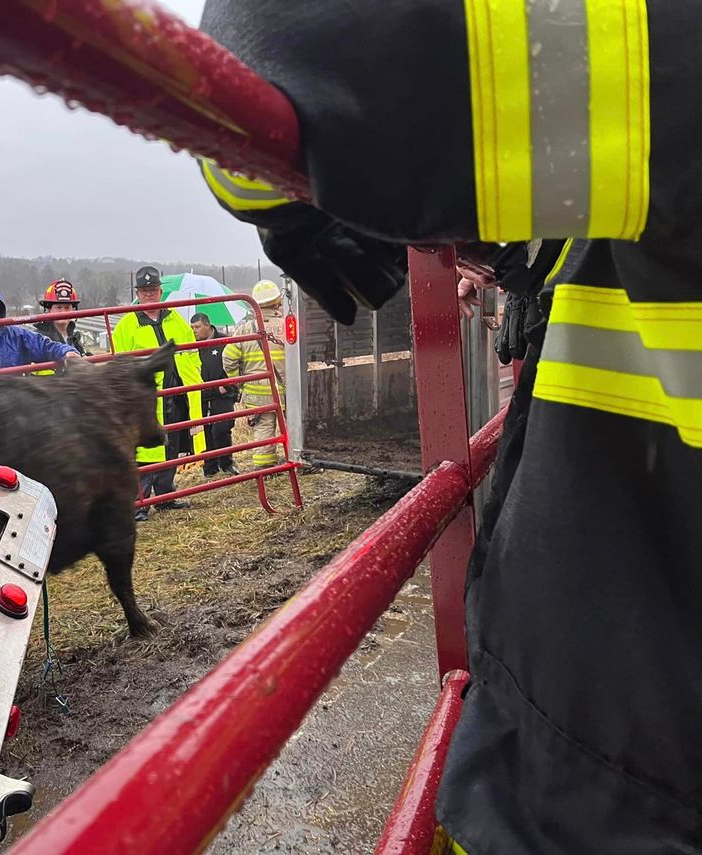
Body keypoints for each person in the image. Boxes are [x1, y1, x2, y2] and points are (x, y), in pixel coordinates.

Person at [198, 2, 702, 852]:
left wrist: (271, 181)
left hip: (609, 794)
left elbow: (286, 46)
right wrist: (496, 253)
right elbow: (617, 245)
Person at [112, 265, 205, 522]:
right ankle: (140, 503)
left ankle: (165, 496)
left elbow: (192, 351)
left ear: (160, 291)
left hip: (178, 392)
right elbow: (120, 365)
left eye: (153, 290)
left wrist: (192, 376)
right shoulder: (126, 325)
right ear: (137, 294)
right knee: (145, 449)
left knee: (172, 445)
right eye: (144, 291)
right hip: (147, 399)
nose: (149, 295)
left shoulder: (175, 318)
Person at [222, 280, 286, 470]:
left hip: (256, 393)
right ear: (277, 302)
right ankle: (297, 462)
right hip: (286, 392)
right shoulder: (287, 326)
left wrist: (238, 380)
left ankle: (265, 469)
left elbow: (228, 358)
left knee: (264, 429)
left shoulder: (245, 329)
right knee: (293, 428)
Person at [190, 311, 239, 478]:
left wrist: (228, 386)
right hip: (202, 395)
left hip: (222, 394)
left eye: (197, 327)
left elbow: (235, 364)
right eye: (191, 328)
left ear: (207, 325)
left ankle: (227, 464)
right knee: (205, 431)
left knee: (221, 429)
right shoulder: (191, 346)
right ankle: (210, 468)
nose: (194, 331)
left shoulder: (225, 341)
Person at [34, 278, 90, 356]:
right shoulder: (38, 339)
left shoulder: (74, 337)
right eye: (59, 307)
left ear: (73, 310)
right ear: (48, 310)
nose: (63, 312)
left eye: (67, 308)